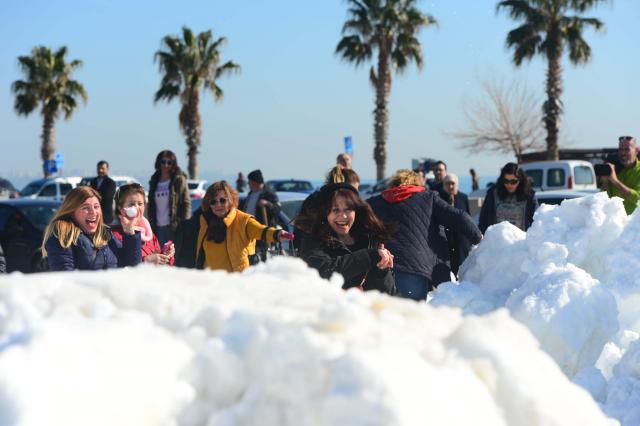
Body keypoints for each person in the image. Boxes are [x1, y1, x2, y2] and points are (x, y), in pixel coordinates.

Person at [368, 170, 482, 300]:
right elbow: (459, 217)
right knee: (413, 314)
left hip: (384, 266)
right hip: (415, 266)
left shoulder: (375, 203)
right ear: (416, 184)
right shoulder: (427, 198)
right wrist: (480, 239)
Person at [295, 183, 397, 295]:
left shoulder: (369, 238)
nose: (343, 216)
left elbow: (388, 293)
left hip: (362, 309)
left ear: (356, 211)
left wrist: (381, 269)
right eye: (335, 210)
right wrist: (368, 256)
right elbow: (321, 271)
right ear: (325, 213)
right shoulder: (313, 239)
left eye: (348, 209)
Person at [175, 181, 293, 271]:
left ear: (231, 200)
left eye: (222, 200)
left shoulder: (243, 220)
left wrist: (277, 234)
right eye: (213, 202)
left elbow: (261, 230)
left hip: (237, 283)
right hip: (211, 282)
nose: (218, 205)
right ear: (208, 204)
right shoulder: (204, 222)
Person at [42, 186, 141, 271]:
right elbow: (66, 279)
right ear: (71, 212)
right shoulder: (63, 237)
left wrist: (129, 231)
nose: (93, 212)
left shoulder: (106, 234)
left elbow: (131, 266)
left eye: (96, 207)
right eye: (85, 208)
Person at [112, 183, 175, 265]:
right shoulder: (113, 235)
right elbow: (116, 265)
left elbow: (158, 261)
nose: (137, 208)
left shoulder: (148, 233)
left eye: (140, 204)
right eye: (131, 204)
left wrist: (166, 256)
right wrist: (146, 261)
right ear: (120, 208)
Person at [147, 150, 191, 247]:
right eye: (163, 162)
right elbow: (150, 203)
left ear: (173, 164)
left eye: (169, 162)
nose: (166, 165)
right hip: (157, 226)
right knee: (161, 255)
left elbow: (186, 202)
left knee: (173, 256)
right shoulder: (154, 180)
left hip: (174, 226)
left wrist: (186, 223)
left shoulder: (179, 179)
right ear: (159, 162)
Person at [479, 162, 538, 234]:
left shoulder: (529, 196)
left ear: (521, 180)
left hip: (520, 243)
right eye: (506, 181)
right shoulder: (492, 194)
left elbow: (536, 223)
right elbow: (483, 221)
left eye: (513, 182)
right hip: (496, 242)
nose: (509, 185)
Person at [439, 174, 473, 277]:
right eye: (447, 184)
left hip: (462, 243)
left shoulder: (463, 197)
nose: (450, 186)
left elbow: (468, 218)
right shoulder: (438, 199)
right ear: (443, 185)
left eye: (452, 183)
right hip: (445, 243)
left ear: (457, 185)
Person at [603, 136, 640, 214]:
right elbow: (604, 199)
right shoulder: (615, 169)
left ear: (636, 151)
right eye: (620, 149)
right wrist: (605, 181)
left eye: (627, 149)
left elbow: (638, 199)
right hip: (614, 222)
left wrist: (615, 181)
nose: (623, 153)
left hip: (634, 224)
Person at [89, 160, 117, 224]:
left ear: (107, 169)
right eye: (99, 168)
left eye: (102, 168)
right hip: (93, 215)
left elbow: (108, 197)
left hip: (105, 216)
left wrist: (94, 197)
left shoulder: (111, 183)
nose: (100, 170)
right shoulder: (93, 181)